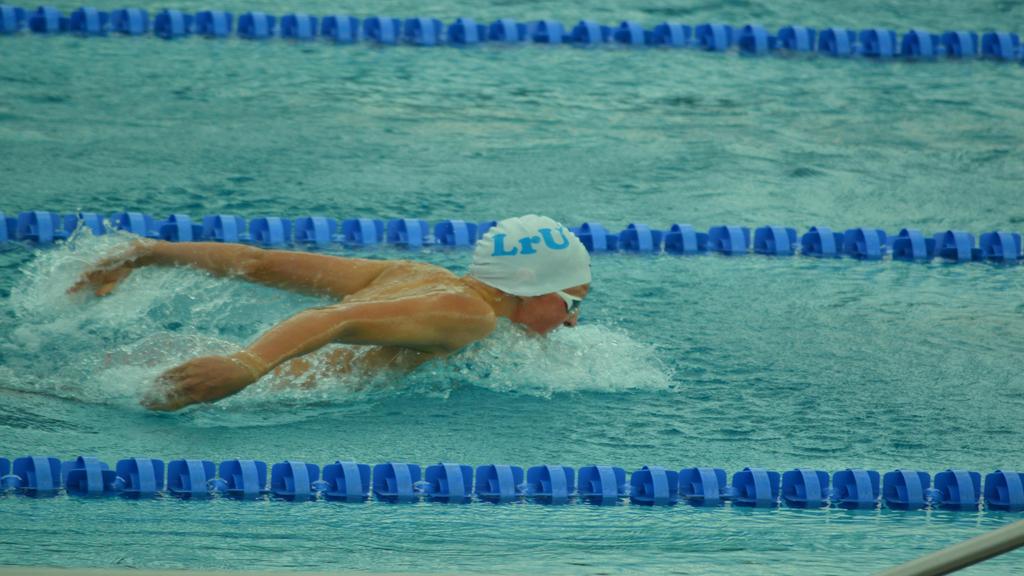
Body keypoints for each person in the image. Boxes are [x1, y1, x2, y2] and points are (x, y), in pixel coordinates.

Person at [69, 215, 591, 411]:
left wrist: (151, 251)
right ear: (530, 286)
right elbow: (330, 322)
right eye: (572, 304)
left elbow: (256, 262)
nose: (572, 321)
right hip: (254, 386)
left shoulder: (413, 274)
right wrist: (245, 368)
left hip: (186, 358)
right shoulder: (469, 316)